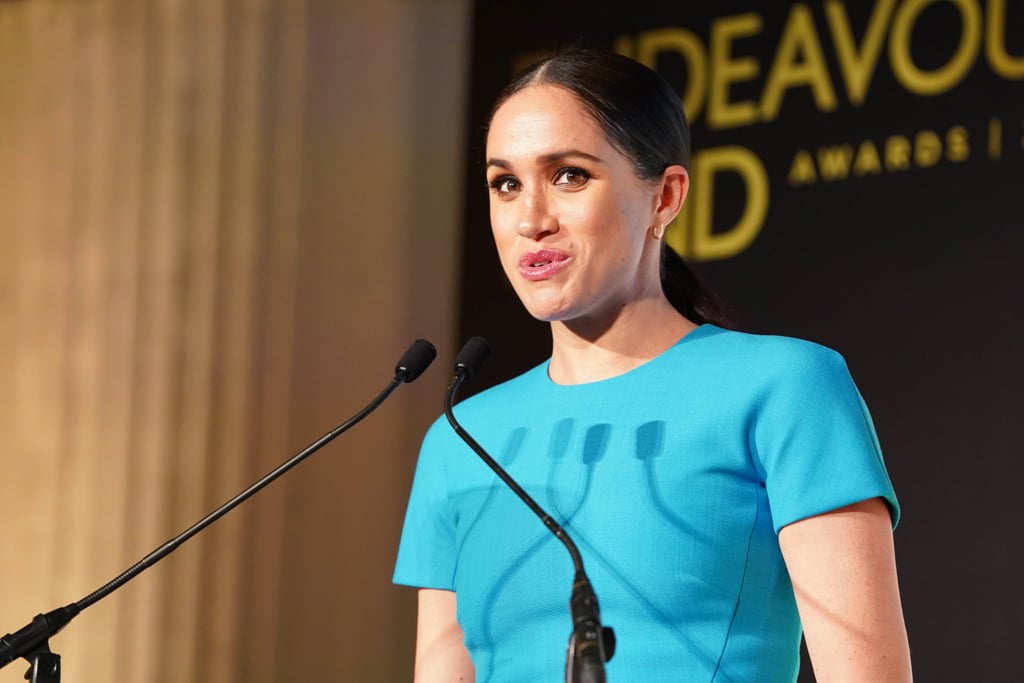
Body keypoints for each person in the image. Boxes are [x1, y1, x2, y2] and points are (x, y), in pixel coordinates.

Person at [393, 48, 912, 682]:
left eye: (569, 176)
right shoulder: (459, 438)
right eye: (506, 184)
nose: (530, 220)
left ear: (665, 196)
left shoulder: (785, 387)